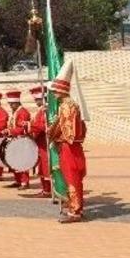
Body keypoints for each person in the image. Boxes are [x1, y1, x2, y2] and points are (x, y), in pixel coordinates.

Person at [47, 61, 87, 223]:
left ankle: (75, 211)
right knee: (75, 178)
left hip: (68, 146)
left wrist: (51, 133)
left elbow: (64, 128)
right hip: (74, 146)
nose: (53, 93)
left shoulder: (65, 107)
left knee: (71, 178)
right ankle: (75, 207)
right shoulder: (72, 105)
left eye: (54, 90)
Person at [28, 85, 52, 197]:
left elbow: (42, 126)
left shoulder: (45, 111)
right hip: (40, 143)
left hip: (45, 143)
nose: (36, 101)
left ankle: (49, 190)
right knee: (42, 168)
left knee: (47, 167)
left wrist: (29, 125)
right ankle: (45, 189)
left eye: (37, 99)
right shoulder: (40, 110)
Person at [6, 89, 32, 189]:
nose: (10, 106)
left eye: (12, 104)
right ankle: (18, 180)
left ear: (17, 102)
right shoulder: (15, 112)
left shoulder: (23, 112)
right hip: (15, 139)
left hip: (22, 140)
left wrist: (10, 131)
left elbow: (23, 128)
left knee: (22, 161)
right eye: (9, 104)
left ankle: (25, 182)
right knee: (15, 161)